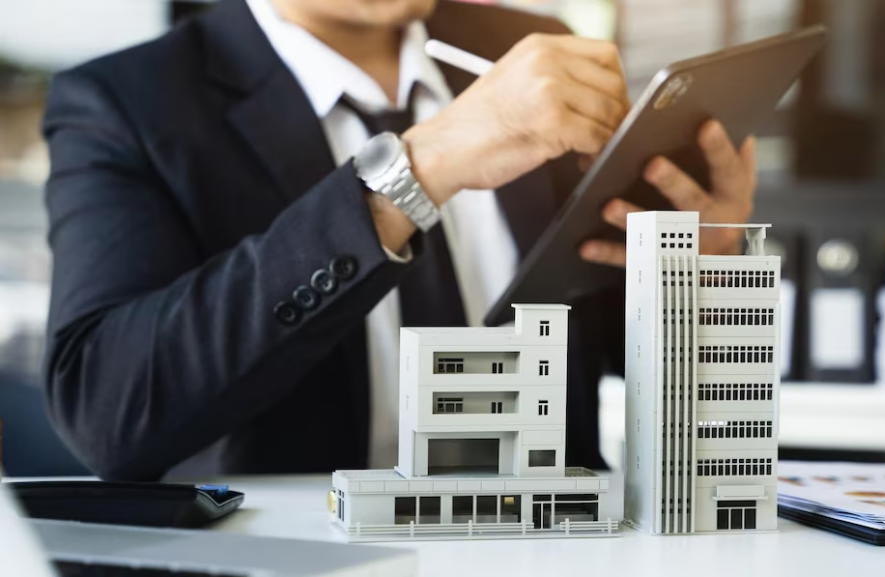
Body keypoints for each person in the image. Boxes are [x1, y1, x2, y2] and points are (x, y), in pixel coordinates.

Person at [42, 0, 756, 481]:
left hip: (552, 547)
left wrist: (699, 273)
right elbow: (109, 409)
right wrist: (418, 170)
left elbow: (616, 350)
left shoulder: (533, 52)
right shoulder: (128, 101)